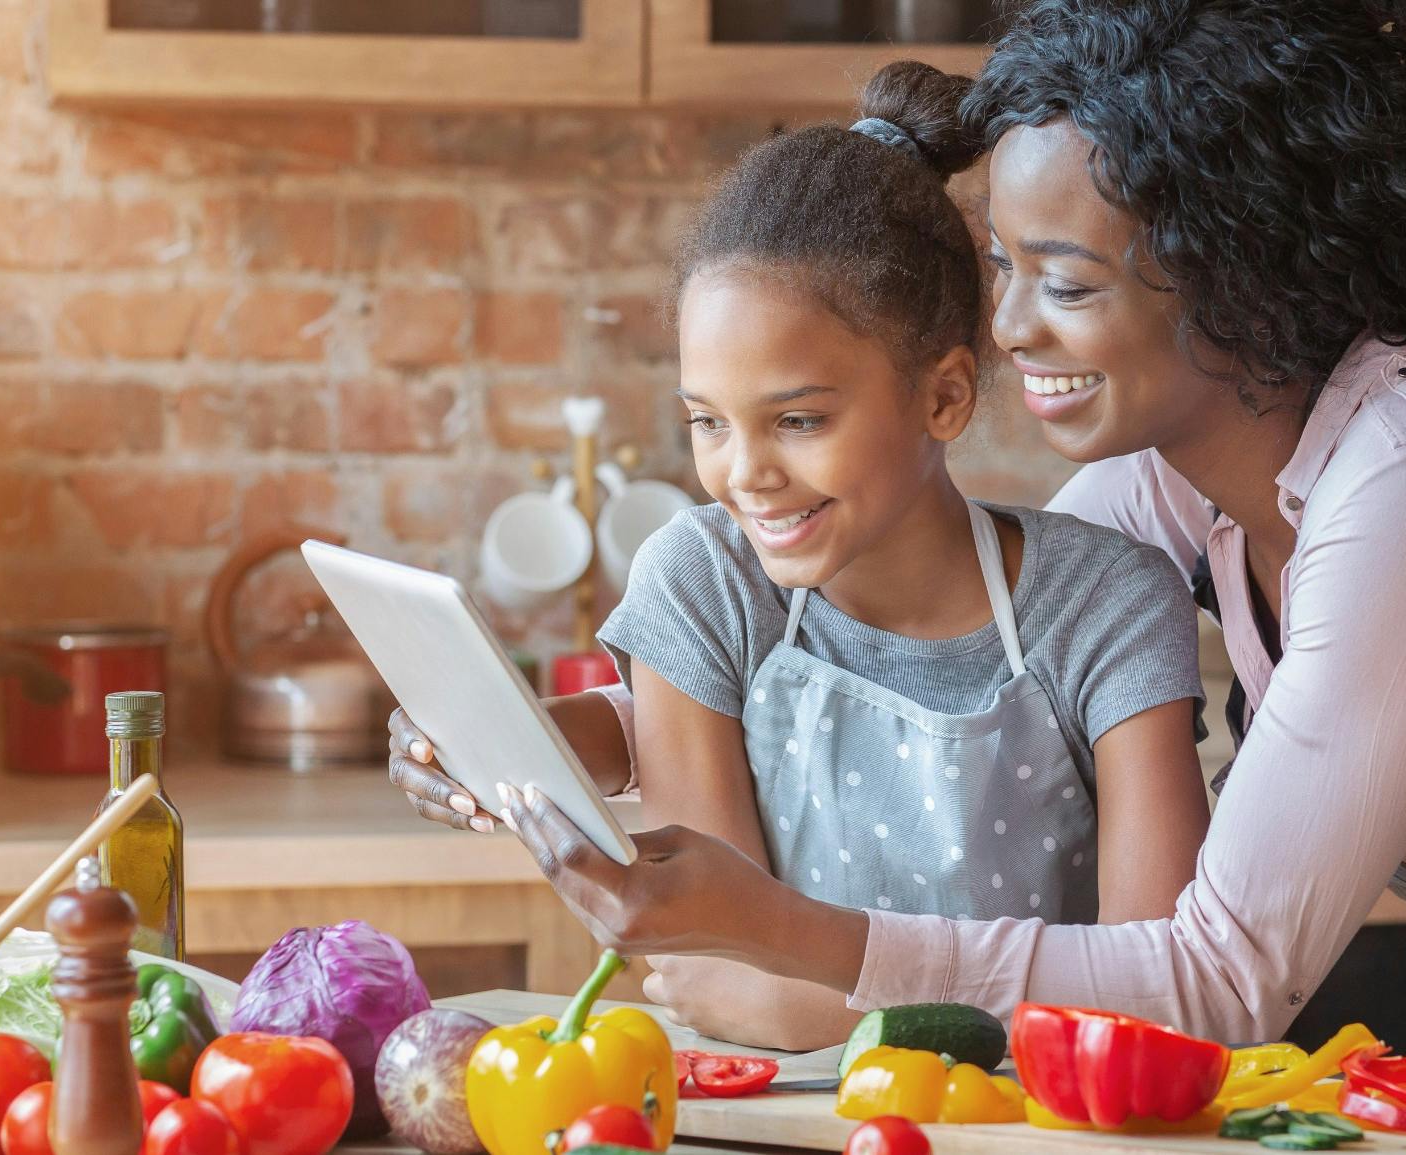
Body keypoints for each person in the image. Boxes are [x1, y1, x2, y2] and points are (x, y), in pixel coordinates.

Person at [414, 0, 1406, 1120]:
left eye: (1064, 281)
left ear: (1243, 275)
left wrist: (790, 932)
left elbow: (1217, 978)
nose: (1005, 332)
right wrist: (551, 739)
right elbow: (928, 636)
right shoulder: (1173, 486)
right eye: (1003, 269)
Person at [397, 63, 1213, 1051]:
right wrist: (507, 739)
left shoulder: (1111, 606)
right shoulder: (703, 584)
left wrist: (793, 999)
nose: (745, 475)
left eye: (798, 419)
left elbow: (1153, 1012)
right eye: (706, 423)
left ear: (945, 398)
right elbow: (713, 975)